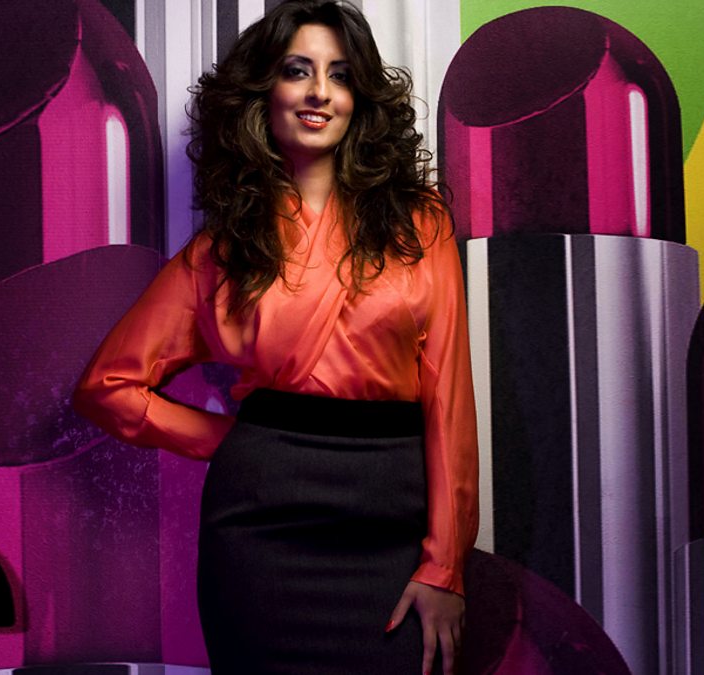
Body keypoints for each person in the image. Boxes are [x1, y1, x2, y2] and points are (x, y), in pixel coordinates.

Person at [73, 1, 477, 673]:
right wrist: (231, 441)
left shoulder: (420, 224)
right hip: (260, 528)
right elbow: (107, 386)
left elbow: (450, 401)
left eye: (340, 75)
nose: (320, 91)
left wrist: (446, 564)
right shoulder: (221, 251)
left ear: (359, 99)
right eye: (298, 70)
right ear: (263, 93)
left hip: (392, 519)